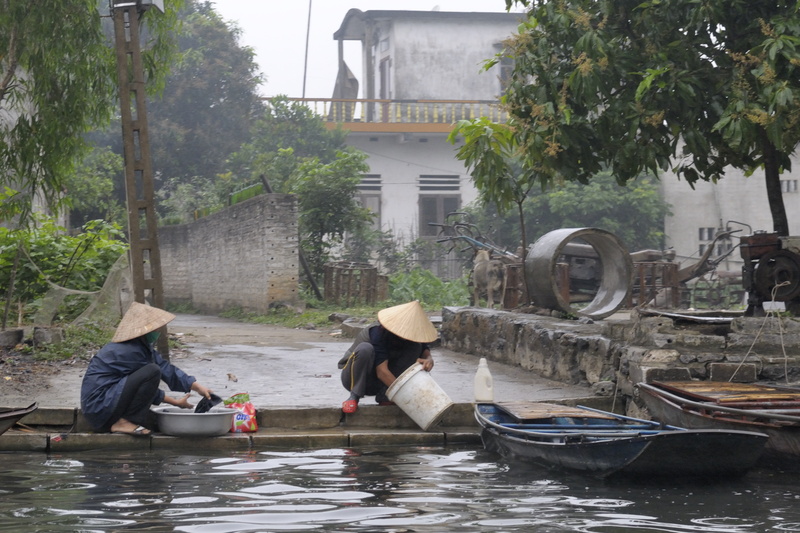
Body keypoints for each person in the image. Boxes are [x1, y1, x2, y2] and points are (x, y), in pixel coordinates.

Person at [80, 302, 214, 436]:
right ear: (145, 331)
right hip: (99, 408)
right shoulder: (127, 350)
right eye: (154, 330)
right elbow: (151, 380)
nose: (157, 332)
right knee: (152, 371)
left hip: (105, 408)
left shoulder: (141, 348)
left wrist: (196, 387)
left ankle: (123, 421)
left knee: (153, 370)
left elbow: (165, 369)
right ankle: (124, 422)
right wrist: (178, 400)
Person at [338, 300, 438, 414]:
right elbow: (382, 372)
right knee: (365, 348)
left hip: (383, 384)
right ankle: (354, 396)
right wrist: (407, 397)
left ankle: (385, 396)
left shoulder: (413, 337)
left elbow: (425, 350)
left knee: (415, 347)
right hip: (357, 379)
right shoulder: (377, 332)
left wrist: (429, 360)